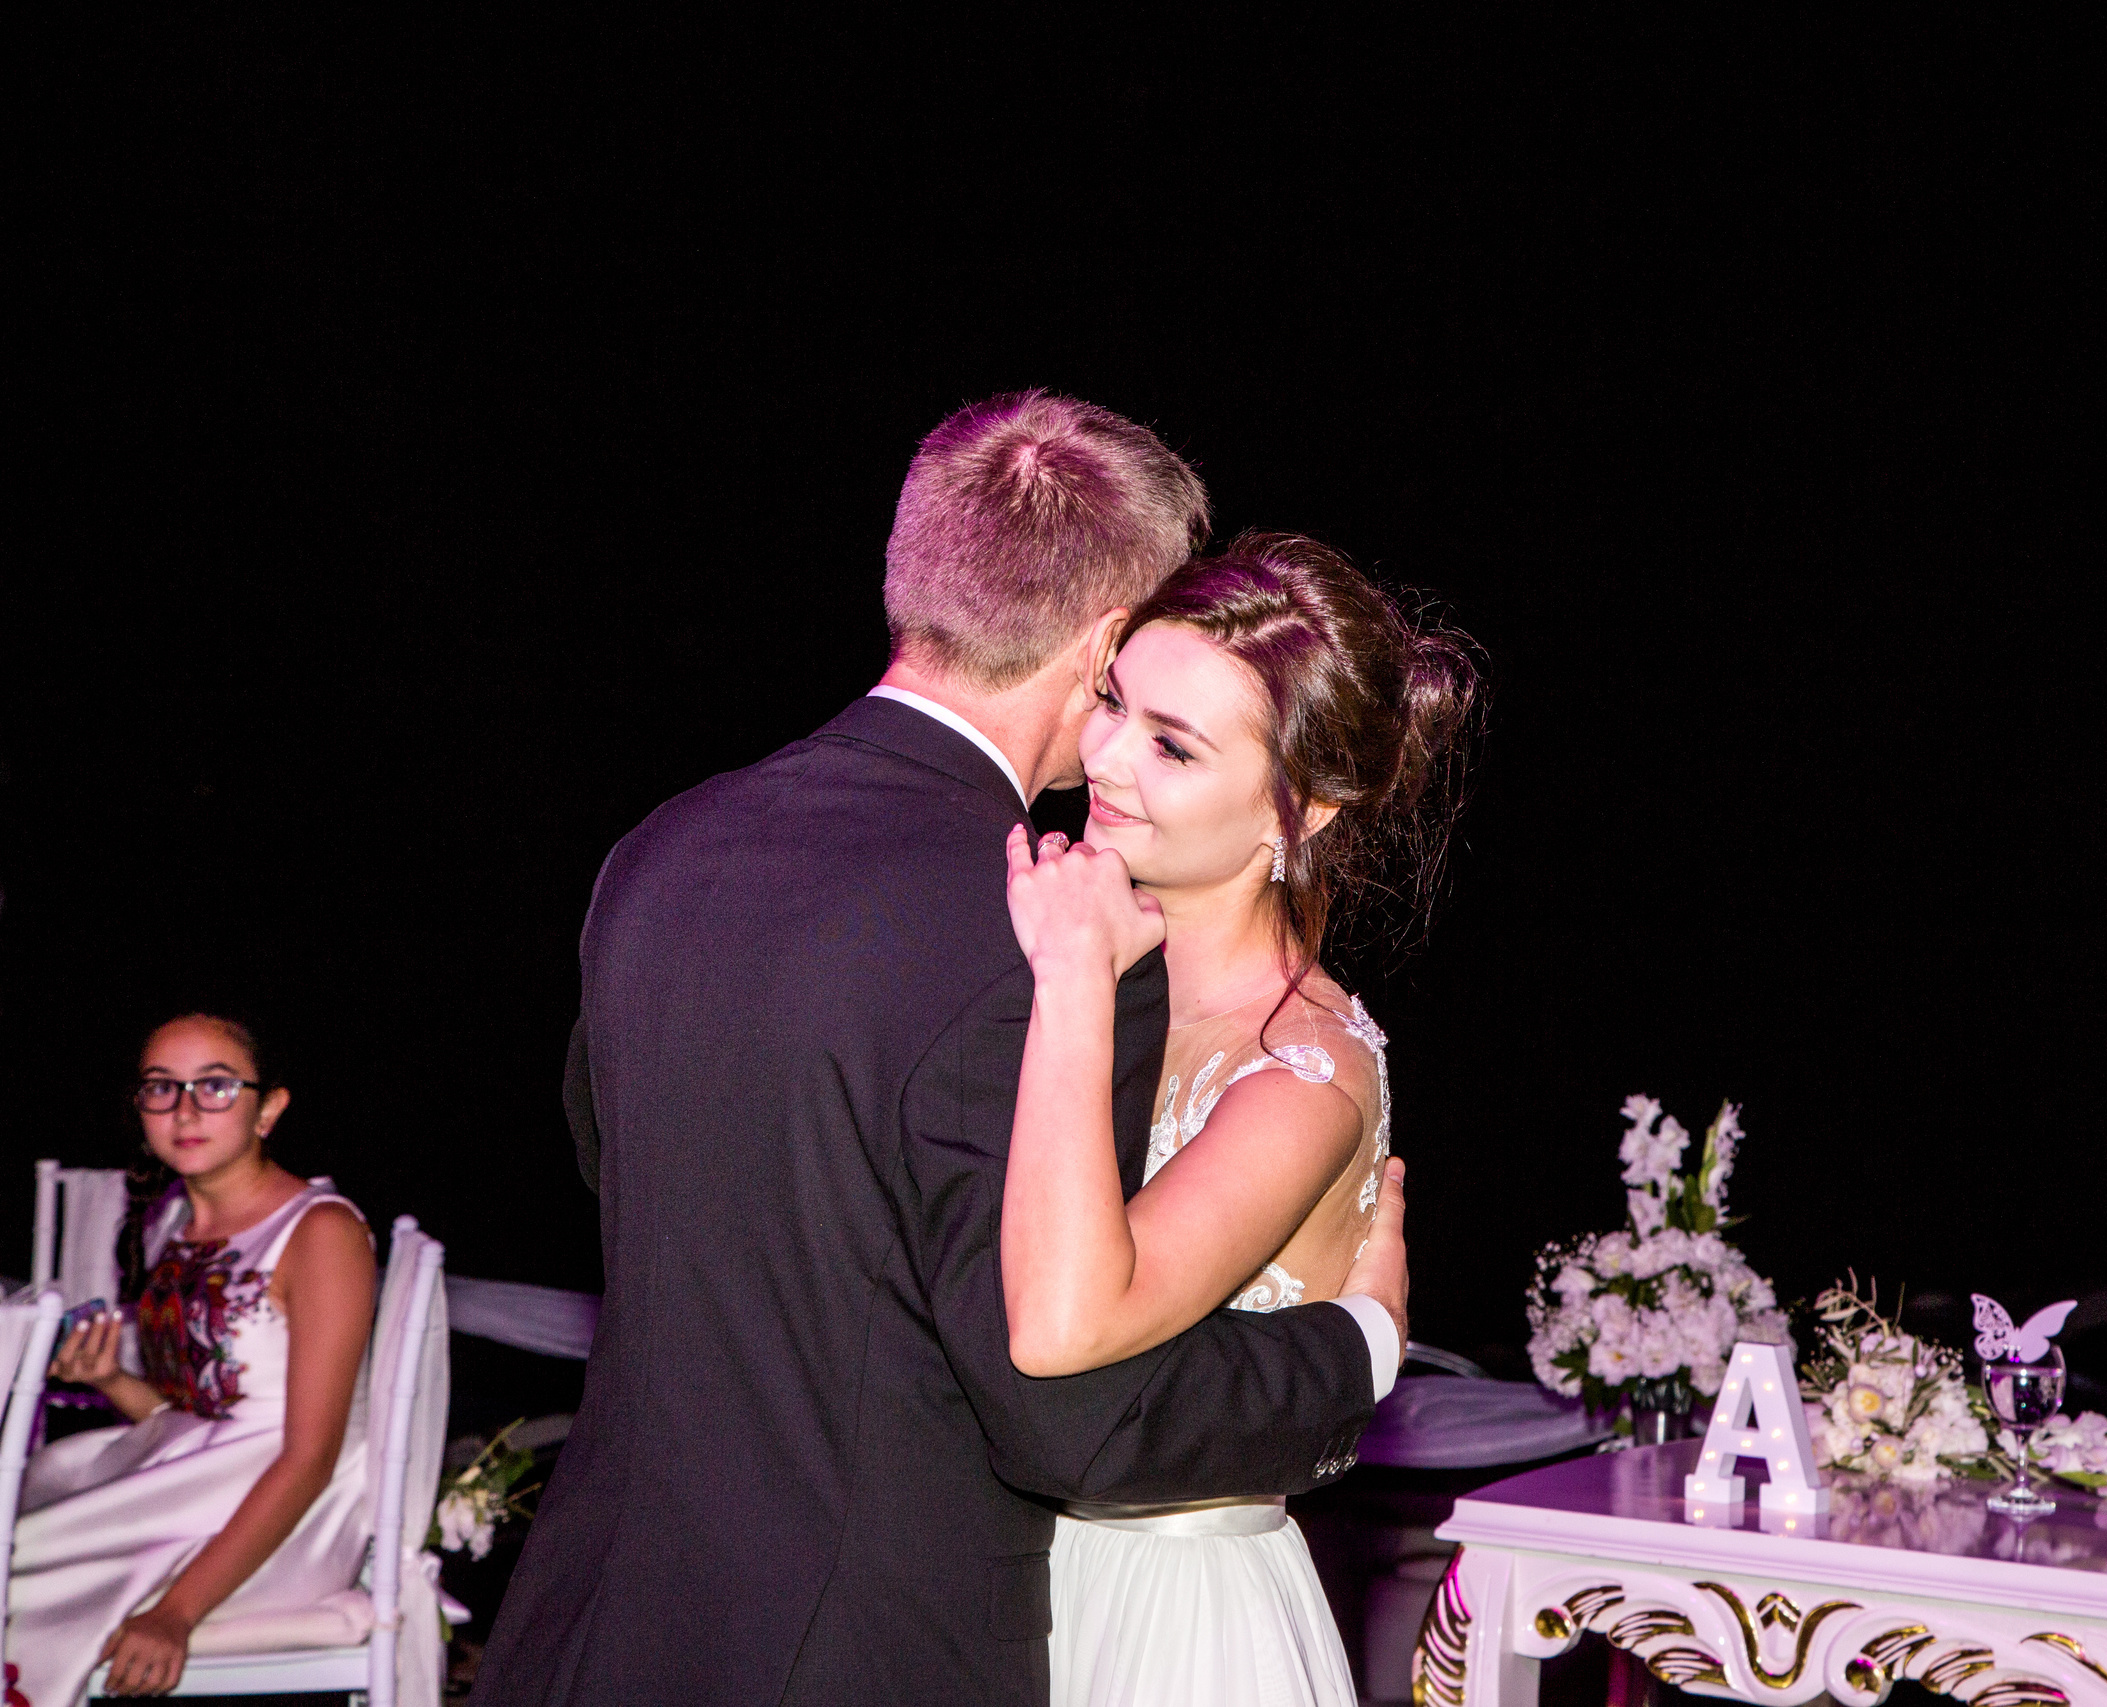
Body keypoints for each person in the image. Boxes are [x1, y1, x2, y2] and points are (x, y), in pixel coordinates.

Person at [475, 391, 1409, 1707]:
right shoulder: (1043, 929)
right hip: (861, 1649)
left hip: (603, 1621)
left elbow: (639, 1184)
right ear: (1106, 643)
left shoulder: (665, 848)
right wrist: (1354, 1350)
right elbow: (1069, 1416)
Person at [1002, 534, 1477, 1706]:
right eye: (1114, 703)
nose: (1103, 755)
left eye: (1171, 746)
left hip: (1169, 1619)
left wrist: (1070, 982)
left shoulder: (1302, 1074)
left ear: (1299, 811)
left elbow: (1063, 1326)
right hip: (993, 1583)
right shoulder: (1069, 940)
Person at [6, 1014, 376, 1706]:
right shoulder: (179, 1224)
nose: (184, 1110)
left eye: (215, 1086)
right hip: (204, 1487)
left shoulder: (322, 1232)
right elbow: (204, 1415)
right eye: (161, 1087)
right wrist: (111, 1379)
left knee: (19, 1573)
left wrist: (176, 1612)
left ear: (269, 1108)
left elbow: (312, 1455)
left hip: (282, 1518)